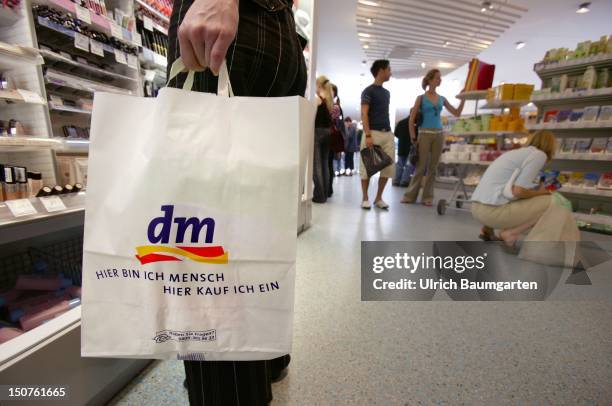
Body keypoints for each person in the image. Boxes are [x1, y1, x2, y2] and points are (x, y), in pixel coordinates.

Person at [168, 0, 306, 404]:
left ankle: (229, 390)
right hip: (277, 30)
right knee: (255, 221)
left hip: (232, 27)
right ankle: (267, 355)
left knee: (207, 240)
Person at [471, 131, 559, 247]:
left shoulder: (515, 153)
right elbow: (518, 191)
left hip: (476, 209)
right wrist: (542, 192)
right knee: (553, 201)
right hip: (491, 213)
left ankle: (487, 228)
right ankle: (510, 233)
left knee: (522, 197)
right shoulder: (539, 155)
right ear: (551, 146)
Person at [401, 69, 465, 206]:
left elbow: (457, 113)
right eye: (437, 78)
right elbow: (411, 119)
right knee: (420, 166)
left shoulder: (442, 99)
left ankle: (427, 197)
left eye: (440, 78)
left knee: (433, 167)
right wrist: (413, 138)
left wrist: (463, 99)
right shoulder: (421, 98)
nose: (439, 80)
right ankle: (410, 195)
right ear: (429, 80)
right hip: (424, 134)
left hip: (439, 134)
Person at [360, 59, 395, 210]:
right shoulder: (368, 91)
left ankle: (379, 198)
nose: (390, 72)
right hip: (372, 133)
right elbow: (364, 114)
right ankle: (365, 198)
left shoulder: (387, 93)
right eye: (389, 69)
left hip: (387, 133)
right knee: (366, 167)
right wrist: (368, 135)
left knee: (388, 168)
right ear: (381, 70)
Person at [313, 76, 333, 203]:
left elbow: (312, 117)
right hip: (328, 133)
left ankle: (319, 195)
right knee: (325, 163)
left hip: (318, 132)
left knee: (317, 165)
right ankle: (325, 193)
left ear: (319, 85)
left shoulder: (317, 99)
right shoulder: (329, 99)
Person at [393, 113, 413, 187]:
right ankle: (404, 181)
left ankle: (396, 180)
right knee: (409, 165)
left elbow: (396, 134)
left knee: (399, 164)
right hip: (410, 147)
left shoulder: (401, 122)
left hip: (401, 146)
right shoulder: (415, 123)